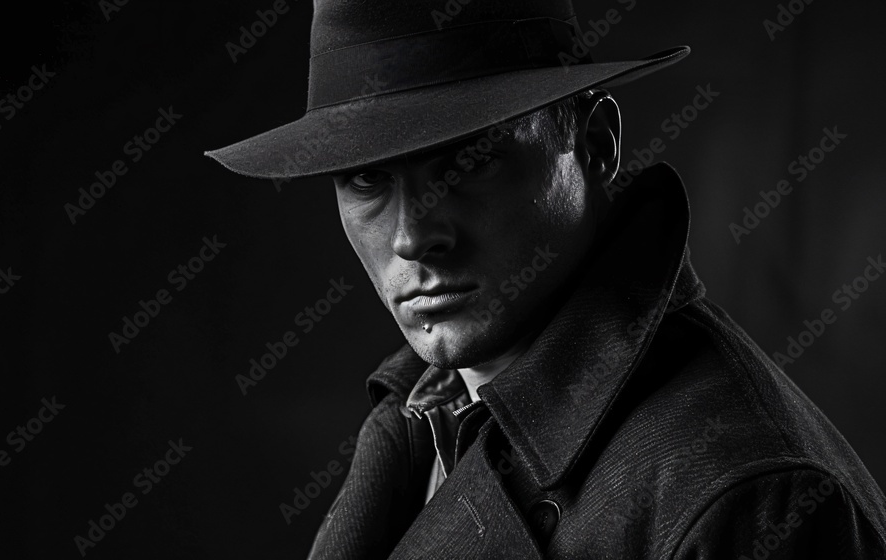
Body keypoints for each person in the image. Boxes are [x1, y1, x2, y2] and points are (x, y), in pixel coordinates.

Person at [207, 0, 886, 557]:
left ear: (594, 144)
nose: (412, 236)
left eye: (468, 161)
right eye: (366, 178)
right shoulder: (421, 414)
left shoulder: (749, 495)